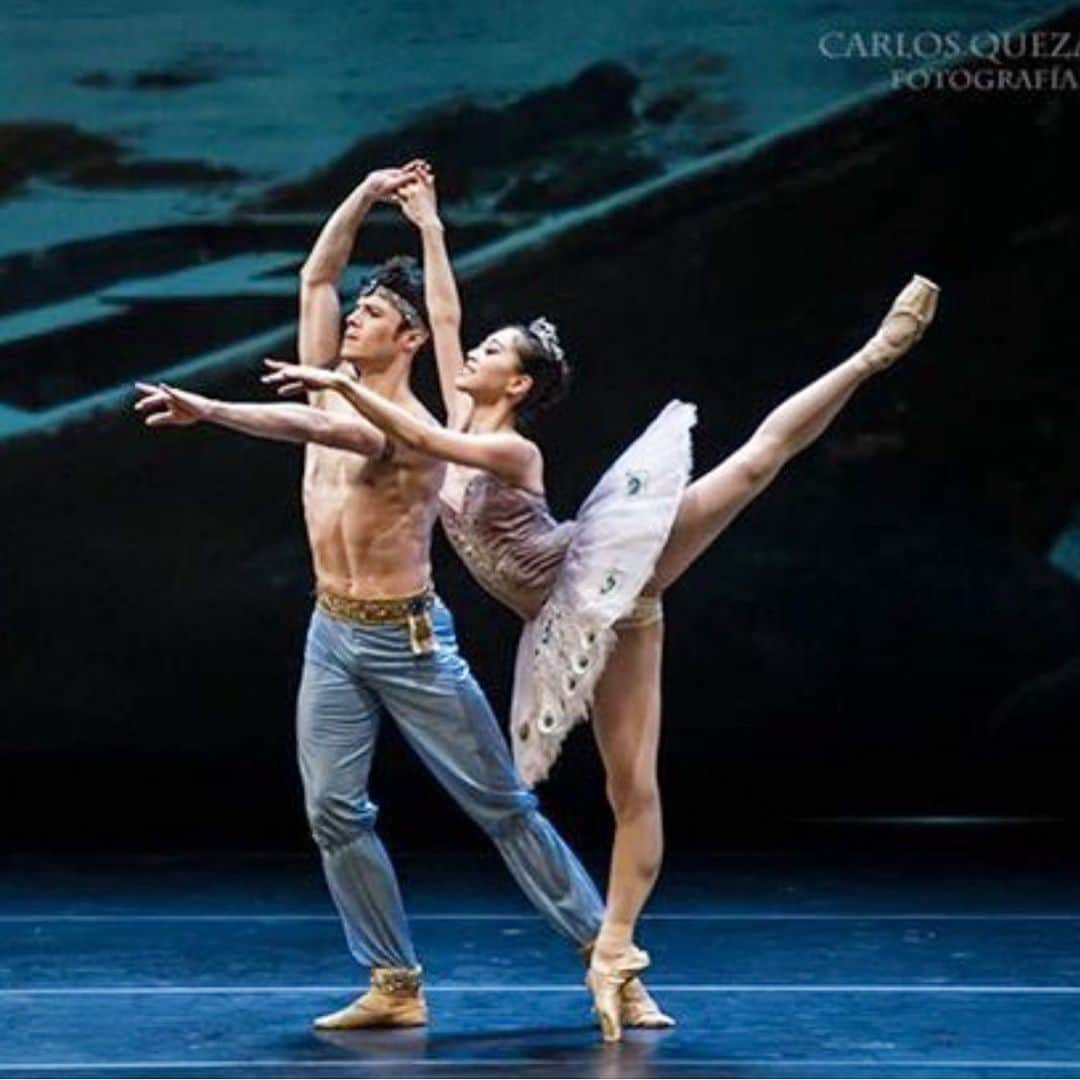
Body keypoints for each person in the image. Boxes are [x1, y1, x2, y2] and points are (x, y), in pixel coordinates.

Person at [261, 163, 940, 1041]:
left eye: (491, 353)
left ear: (514, 386)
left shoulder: (487, 448)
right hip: (566, 620)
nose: (470, 350)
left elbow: (416, 420)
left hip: (607, 571)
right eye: (473, 344)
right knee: (628, 788)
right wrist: (427, 226)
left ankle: (874, 352)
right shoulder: (462, 425)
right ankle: (612, 958)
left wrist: (332, 388)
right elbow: (445, 315)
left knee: (754, 464)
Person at [132, 161, 670, 1035]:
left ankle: (608, 957)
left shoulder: (416, 430)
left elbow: (319, 423)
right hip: (332, 633)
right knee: (332, 809)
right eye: (359, 310)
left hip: (408, 641)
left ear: (410, 341)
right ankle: (393, 981)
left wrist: (212, 408)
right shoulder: (326, 370)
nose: (354, 317)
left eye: (374, 315)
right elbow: (315, 275)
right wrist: (367, 194)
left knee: (501, 807)